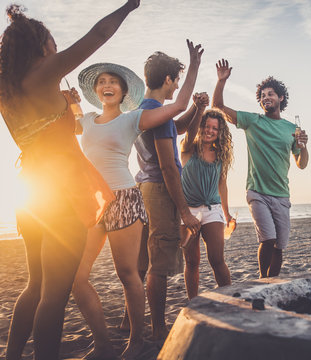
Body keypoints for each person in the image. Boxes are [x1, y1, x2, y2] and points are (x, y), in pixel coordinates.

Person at [0, 2, 140, 359]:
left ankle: (12, 355)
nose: (55, 45)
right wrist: (129, 5)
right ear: (39, 46)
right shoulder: (44, 73)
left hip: (31, 196)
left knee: (34, 285)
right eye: (51, 40)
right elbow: (98, 35)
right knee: (54, 296)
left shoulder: (8, 90)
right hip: (62, 197)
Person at [72, 41, 202, 359]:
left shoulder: (134, 118)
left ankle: (137, 340)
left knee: (128, 272)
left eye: (112, 82)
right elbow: (58, 126)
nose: (107, 85)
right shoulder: (86, 119)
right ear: (95, 90)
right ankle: (102, 343)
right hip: (93, 202)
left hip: (126, 198)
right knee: (77, 277)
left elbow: (179, 108)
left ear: (123, 89)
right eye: (101, 81)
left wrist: (194, 66)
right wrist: (67, 104)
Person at [212, 59, 309, 278]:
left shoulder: (291, 129)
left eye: (271, 94)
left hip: (282, 195)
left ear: (280, 98)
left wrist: (304, 146)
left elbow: (301, 164)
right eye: (263, 95)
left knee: (279, 246)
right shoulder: (252, 121)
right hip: (257, 192)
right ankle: (261, 280)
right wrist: (221, 81)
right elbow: (217, 106)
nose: (266, 97)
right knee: (268, 239)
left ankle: (271, 283)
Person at [131, 51, 202, 341]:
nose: (176, 87)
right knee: (159, 262)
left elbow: (179, 127)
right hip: (160, 189)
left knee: (143, 260)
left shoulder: (145, 109)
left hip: (144, 187)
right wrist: (184, 211)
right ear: (168, 79)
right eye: (176, 81)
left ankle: (128, 320)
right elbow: (169, 166)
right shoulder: (157, 112)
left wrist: (197, 109)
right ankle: (159, 329)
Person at [180, 107, 233, 299]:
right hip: (188, 211)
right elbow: (189, 134)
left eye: (215, 128)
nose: (210, 131)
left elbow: (222, 184)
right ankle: (193, 301)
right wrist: (198, 109)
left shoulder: (220, 155)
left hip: (212, 209)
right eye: (206, 126)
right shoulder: (187, 148)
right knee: (192, 262)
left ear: (220, 132)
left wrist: (227, 214)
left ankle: (230, 299)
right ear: (200, 127)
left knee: (217, 259)